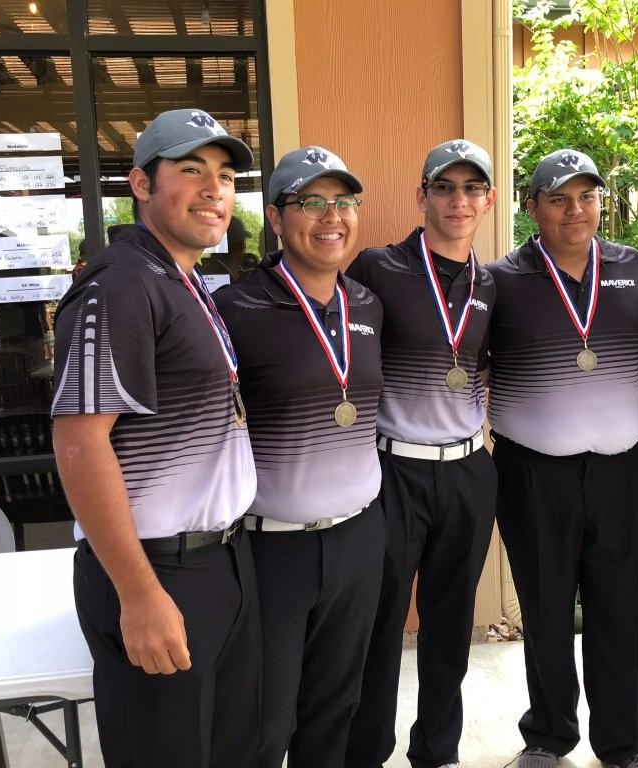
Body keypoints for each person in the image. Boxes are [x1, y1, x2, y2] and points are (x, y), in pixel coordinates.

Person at [50, 108, 260, 767]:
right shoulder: (119, 286)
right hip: (159, 571)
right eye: (191, 170)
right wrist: (140, 596)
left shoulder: (183, 280)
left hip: (219, 561)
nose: (213, 189)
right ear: (141, 185)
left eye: (225, 175)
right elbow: (80, 445)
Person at [213, 146, 385, 768]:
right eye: (310, 202)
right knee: (264, 719)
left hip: (360, 536)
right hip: (270, 548)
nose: (330, 216)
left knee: (335, 707)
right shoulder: (234, 310)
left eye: (341, 201)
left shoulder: (367, 306)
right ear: (276, 217)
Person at [486, 149, 638, 768]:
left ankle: (623, 745)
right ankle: (549, 736)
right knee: (546, 608)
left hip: (619, 469)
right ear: (533, 208)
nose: (575, 210)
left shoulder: (632, 270)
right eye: (559, 199)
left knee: (619, 610)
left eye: (586, 196)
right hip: (533, 472)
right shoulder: (502, 280)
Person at [344, 139, 498, 768]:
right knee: (380, 626)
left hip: (467, 469)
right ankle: (368, 750)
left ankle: (438, 751)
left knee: (450, 623)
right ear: (422, 196)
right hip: (392, 470)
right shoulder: (378, 269)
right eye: (445, 188)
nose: (457, 201)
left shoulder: (492, 281)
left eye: (470, 189)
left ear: (487, 201)